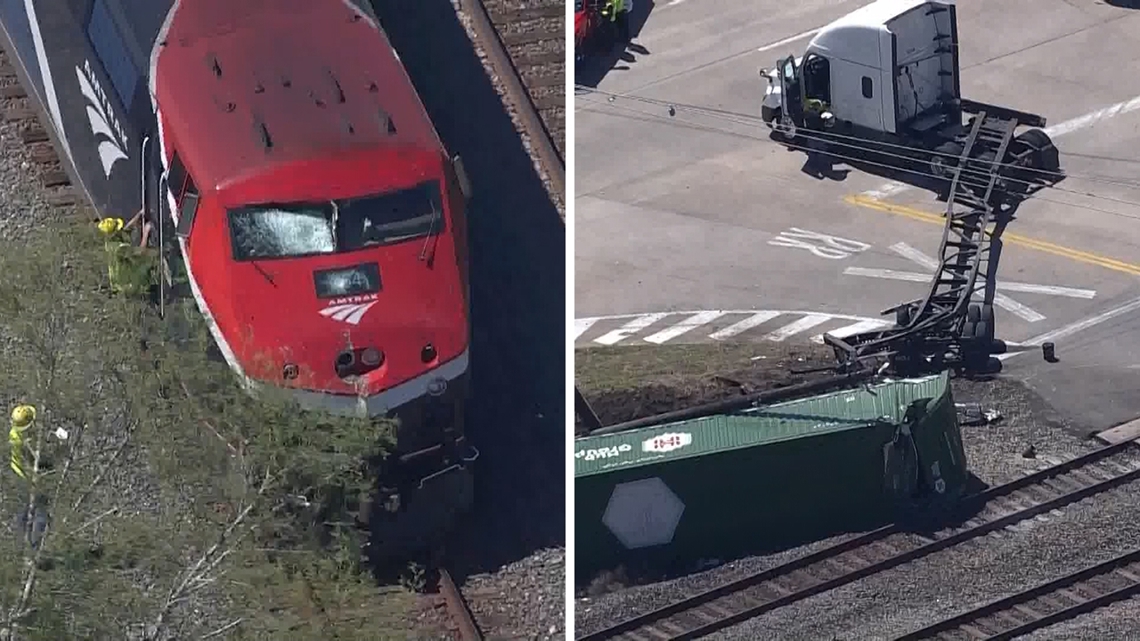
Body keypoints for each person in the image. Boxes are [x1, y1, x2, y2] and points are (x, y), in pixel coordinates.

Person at [97, 209, 158, 299]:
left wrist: (139, 214)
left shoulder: (109, 241)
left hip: (119, 278)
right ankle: (147, 290)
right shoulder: (120, 248)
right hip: (125, 283)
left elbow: (126, 230)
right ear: (113, 233)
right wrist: (146, 232)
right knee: (148, 260)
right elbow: (141, 252)